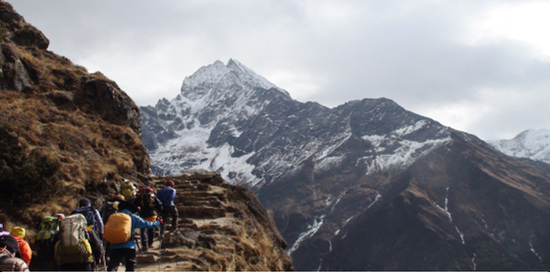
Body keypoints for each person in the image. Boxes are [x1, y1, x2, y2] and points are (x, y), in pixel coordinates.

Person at [106, 207, 160, 271]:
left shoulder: (114, 217)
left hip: (114, 245)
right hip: (129, 245)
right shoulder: (132, 217)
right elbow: (147, 224)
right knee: (130, 266)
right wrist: (158, 222)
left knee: (113, 265)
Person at [133, 186, 163, 251]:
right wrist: (159, 212)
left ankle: (144, 245)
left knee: (143, 230)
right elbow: (159, 205)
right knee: (151, 230)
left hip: (143, 215)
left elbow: (134, 205)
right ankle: (150, 243)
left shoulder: (139, 197)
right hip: (152, 215)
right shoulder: (153, 197)